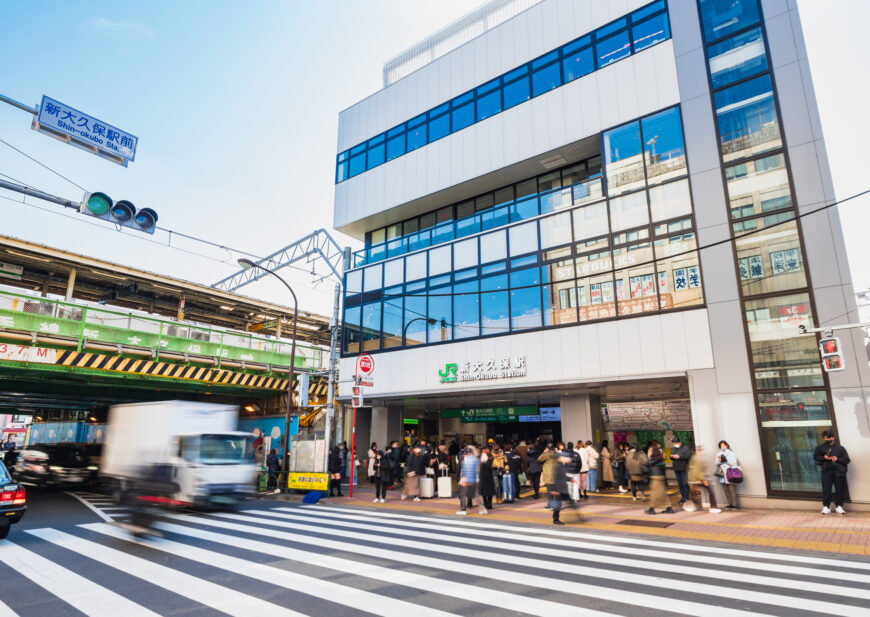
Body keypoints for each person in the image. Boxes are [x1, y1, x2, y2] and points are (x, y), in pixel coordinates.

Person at [814, 430, 850, 515]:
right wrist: (824, 457)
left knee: (840, 489)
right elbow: (816, 457)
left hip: (839, 471)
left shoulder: (840, 448)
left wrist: (837, 459)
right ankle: (826, 507)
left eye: (828, 438)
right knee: (826, 489)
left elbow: (847, 460)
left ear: (832, 437)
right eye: (825, 438)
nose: (827, 440)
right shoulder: (820, 448)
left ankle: (839, 506)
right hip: (826, 471)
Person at [686, 445, 720, 513]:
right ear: (696, 451)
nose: (701, 451)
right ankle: (713, 507)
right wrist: (703, 480)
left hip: (698, 478)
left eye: (702, 450)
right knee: (710, 492)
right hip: (699, 479)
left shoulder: (699, 458)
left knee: (694, 493)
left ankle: (691, 506)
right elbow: (697, 470)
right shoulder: (697, 458)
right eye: (700, 450)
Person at [646, 440, 674, 514]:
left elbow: (649, 461)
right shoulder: (660, 454)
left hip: (656, 476)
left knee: (655, 494)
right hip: (660, 475)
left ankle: (651, 509)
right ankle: (669, 508)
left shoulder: (654, 455)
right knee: (662, 493)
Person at [549, 450, 574, 525]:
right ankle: (555, 520)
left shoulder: (562, 466)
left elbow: (563, 476)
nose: (567, 458)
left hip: (562, 488)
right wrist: (554, 489)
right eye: (565, 457)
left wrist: (570, 479)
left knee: (570, 501)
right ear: (560, 458)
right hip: (558, 489)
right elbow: (554, 478)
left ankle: (577, 515)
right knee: (557, 505)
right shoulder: (558, 467)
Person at [456, 446, 482, 515]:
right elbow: (478, 470)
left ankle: (463, 509)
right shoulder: (475, 459)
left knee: (462, 495)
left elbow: (462, 471)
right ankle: (482, 508)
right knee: (477, 495)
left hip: (466, 480)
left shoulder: (464, 460)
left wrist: (460, 480)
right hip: (474, 480)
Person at [716, 440, 740, 510]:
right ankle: (730, 504)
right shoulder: (718, 454)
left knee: (731, 489)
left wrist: (726, 460)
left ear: (727, 445)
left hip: (730, 472)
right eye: (721, 446)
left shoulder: (731, 453)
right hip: (722, 473)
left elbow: (734, 463)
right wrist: (719, 461)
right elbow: (716, 463)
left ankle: (734, 505)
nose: (722, 447)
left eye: (724, 445)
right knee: (726, 490)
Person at [670, 437, 691, 505]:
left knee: (684, 483)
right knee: (680, 484)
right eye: (674, 443)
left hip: (683, 468)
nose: (675, 444)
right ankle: (683, 497)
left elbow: (688, 457)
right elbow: (671, 457)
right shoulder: (673, 448)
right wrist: (672, 456)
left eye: (676, 443)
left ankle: (686, 497)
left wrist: (679, 456)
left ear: (680, 442)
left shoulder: (686, 448)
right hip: (676, 468)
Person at [539, 442, 557, 509]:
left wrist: (544, 452)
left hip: (549, 475)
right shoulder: (556, 453)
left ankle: (550, 505)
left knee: (549, 491)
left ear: (547, 448)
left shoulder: (547, 454)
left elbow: (539, 459)